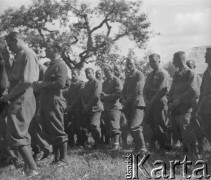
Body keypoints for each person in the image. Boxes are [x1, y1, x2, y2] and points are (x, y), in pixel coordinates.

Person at [1, 32, 39, 177]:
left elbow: (27, 81)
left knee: (16, 133)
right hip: (19, 95)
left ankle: (33, 168)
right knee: (22, 133)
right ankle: (28, 166)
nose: (9, 48)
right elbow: (13, 75)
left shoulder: (28, 54)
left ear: (16, 40)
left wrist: (9, 96)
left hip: (22, 96)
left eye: (10, 44)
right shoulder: (20, 55)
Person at [33, 41, 68, 166]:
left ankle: (63, 159)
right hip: (46, 102)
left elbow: (61, 84)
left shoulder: (60, 65)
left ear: (55, 50)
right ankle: (56, 157)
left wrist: (43, 84)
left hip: (54, 102)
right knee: (50, 130)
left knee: (58, 129)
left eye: (48, 48)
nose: (45, 50)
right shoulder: (52, 65)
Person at [168, 51, 198, 154]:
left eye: (174, 60)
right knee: (178, 131)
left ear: (180, 60)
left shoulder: (190, 73)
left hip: (185, 108)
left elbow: (192, 90)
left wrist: (178, 99)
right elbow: (172, 90)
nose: (173, 62)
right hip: (176, 108)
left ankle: (194, 154)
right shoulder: (176, 74)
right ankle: (185, 153)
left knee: (186, 131)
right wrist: (170, 101)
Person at [143, 53, 171, 152]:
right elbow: (145, 89)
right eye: (150, 61)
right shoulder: (150, 75)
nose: (152, 63)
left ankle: (165, 148)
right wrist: (146, 100)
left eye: (154, 61)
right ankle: (153, 147)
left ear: (159, 61)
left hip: (159, 103)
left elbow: (162, 90)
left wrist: (150, 102)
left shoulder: (163, 73)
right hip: (150, 103)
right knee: (151, 125)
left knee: (161, 125)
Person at [122, 58, 147, 154]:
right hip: (129, 104)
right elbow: (124, 90)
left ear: (135, 64)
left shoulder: (139, 74)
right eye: (127, 64)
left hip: (137, 103)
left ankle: (143, 147)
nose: (129, 65)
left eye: (131, 64)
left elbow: (138, 89)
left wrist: (127, 100)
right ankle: (138, 147)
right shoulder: (128, 76)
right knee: (130, 126)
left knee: (135, 126)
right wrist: (123, 99)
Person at [101, 65, 123, 150]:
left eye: (108, 71)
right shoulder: (105, 82)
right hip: (107, 106)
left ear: (111, 71)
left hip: (115, 106)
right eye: (105, 71)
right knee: (109, 125)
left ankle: (116, 144)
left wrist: (106, 96)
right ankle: (113, 143)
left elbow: (118, 93)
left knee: (115, 125)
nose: (106, 73)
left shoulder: (116, 80)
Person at [63, 68, 86, 147]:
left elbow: (79, 97)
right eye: (71, 74)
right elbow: (68, 95)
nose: (72, 76)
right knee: (70, 127)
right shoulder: (71, 85)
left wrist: (71, 105)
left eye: (74, 74)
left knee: (79, 126)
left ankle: (81, 143)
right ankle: (71, 143)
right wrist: (68, 105)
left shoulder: (81, 84)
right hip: (71, 108)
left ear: (78, 75)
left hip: (78, 108)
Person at [81, 68, 103, 148]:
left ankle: (99, 144)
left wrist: (88, 105)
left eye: (89, 73)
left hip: (96, 107)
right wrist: (84, 105)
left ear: (93, 73)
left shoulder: (97, 82)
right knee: (87, 127)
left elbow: (96, 96)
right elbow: (82, 96)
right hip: (87, 108)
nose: (88, 75)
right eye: (86, 73)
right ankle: (94, 143)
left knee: (94, 125)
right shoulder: (86, 84)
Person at [197, 48, 211, 143]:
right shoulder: (207, 71)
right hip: (205, 105)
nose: (205, 56)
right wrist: (199, 106)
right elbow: (202, 90)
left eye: (207, 55)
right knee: (206, 127)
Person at [114, 65, 128, 148]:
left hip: (123, 104)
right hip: (116, 104)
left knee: (124, 123)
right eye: (115, 69)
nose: (116, 71)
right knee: (117, 124)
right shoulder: (114, 79)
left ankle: (125, 141)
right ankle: (117, 142)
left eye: (117, 69)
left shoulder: (123, 78)